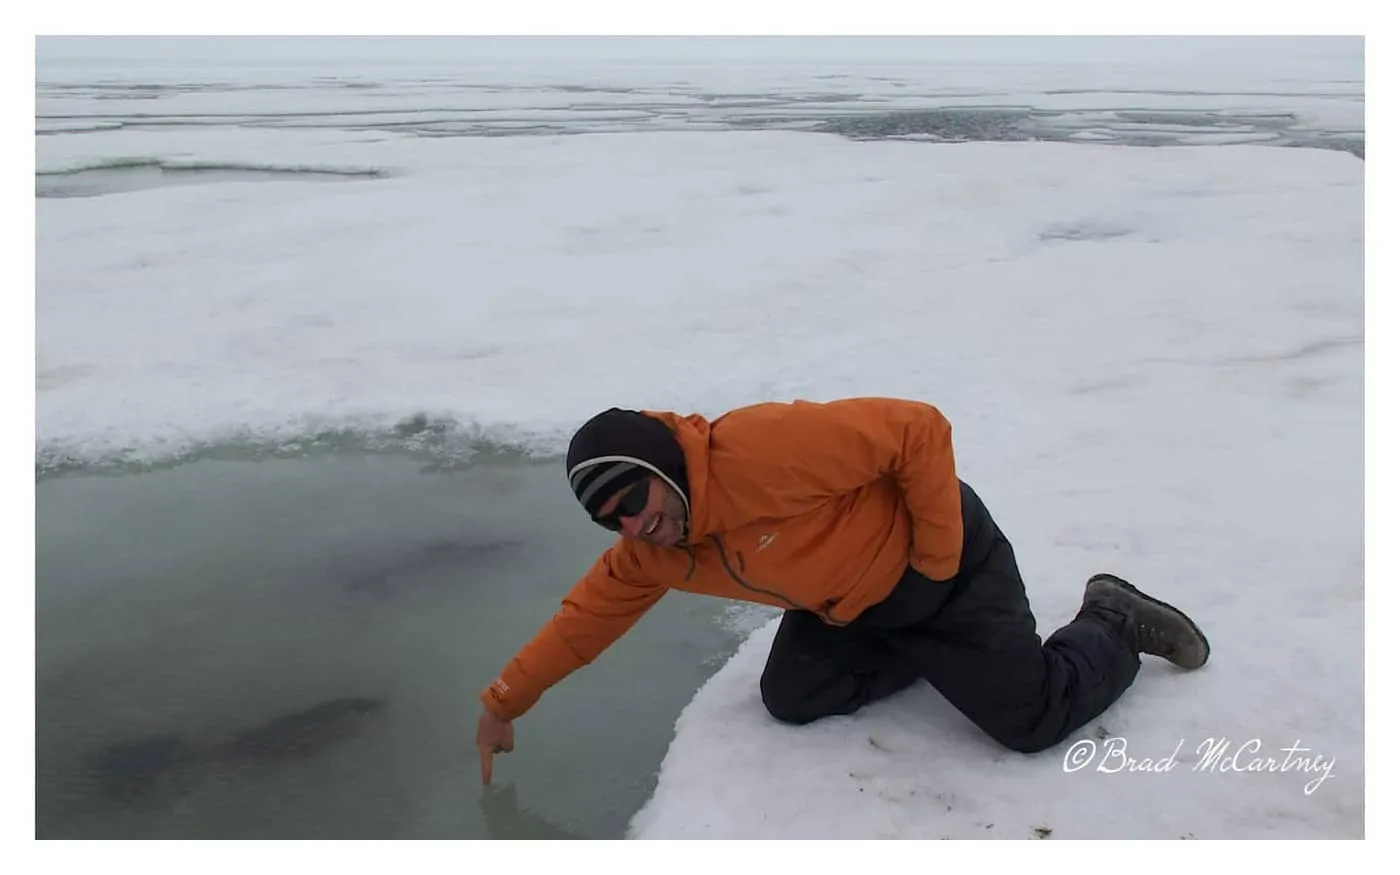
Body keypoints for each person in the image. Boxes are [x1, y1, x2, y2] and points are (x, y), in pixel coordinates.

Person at [474, 397, 1209, 784]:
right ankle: (928, 651)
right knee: (792, 697)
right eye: (613, 519)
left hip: (947, 561)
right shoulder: (650, 550)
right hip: (851, 605)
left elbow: (917, 429)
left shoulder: (758, 448)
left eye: (634, 498)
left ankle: (1111, 616)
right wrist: (503, 703)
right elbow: (585, 619)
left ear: (661, 465)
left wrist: (935, 564)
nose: (636, 523)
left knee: (1033, 721)